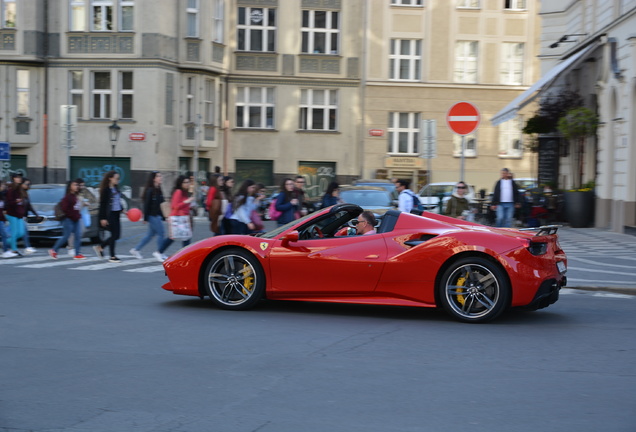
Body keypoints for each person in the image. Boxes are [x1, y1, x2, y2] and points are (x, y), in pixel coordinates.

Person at [130, 171, 167, 262]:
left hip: (157, 215)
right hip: (152, 216)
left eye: (160, 176)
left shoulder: (158, 189)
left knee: (150, 235)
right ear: (154, 178)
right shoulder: (150, 190)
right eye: (158, 176)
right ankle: (159, 252)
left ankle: (135, 250)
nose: (160, 178)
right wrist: (145, 218)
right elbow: (146, 205)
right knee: (161, 233)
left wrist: (164, 216)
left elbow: (162, 204)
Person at [157, 175, 194, 258]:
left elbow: (182, 205)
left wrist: (190, 206)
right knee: (174, 237)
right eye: (185, 182)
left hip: (183, 218)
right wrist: (187, 201)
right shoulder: (178, 192)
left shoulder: (184, 192)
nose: (187, 184)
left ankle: (185, 255)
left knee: (185, 237)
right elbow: (175, 206)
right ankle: (159, 252)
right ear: (180, 183)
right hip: (177, 218)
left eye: (188, 182)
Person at [48, 180, 86, 260]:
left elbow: (76, 208)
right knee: (66, 236)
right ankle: (54, 250)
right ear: (70, 187)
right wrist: (73, 215)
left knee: (78, 236)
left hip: (76, 219)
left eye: (77, 185)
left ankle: (77, 254)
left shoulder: (75, 196)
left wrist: (77, 215)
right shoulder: (67, 197)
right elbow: (65, 209)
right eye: (75, 185)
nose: (77, 186)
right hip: (68, 219)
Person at [95, 170, 124, 263]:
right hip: (109, 214)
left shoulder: (116, 189)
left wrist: (123, 209)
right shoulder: (106, 190)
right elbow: (102, 205)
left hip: (116, 214)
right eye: (116, 178)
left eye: (118, 179)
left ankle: (101, 247)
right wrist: (102, 218)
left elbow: (117, 202)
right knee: (114, 235)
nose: (118, 180)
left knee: (117, 235)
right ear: (110, 178)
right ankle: (112, 256)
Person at [66, 178, 97, 256]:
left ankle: (75, 249)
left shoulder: (84, 191)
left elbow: (93, 199)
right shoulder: (73, 193)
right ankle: (71, 248)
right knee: (74, 232)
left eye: (84, 185)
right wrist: (83, 204)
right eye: (81, 185)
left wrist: (87, 203)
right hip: (74, 214)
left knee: (81, 231)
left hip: (81, 214)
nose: (83, 186)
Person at [3, 173, 27, 257]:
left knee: (21, 233)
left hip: (19, 214)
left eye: (20, 177)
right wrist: (16, 202)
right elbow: (8, 202)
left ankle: (6, 242)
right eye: (17, 177)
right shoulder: (11, 189)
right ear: (13, 178)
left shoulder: (20, 189)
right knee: (14, 232)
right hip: (12, 213)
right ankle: (14, 250)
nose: (19, 179)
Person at [19, 178, 38, 255]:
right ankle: (27, 247)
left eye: (29, 184)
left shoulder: (26, 194)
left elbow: (29, 206)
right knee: (24, 232)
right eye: (27, 184)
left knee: (21, 232)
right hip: (18, 216)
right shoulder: (19, 194)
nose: (28, 186)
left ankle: (9, 246)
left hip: (23, 216)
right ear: (22, 184)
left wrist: (36, 214)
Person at [0, 180, 10, 256]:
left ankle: (6, 250)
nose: (4, 187)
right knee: (4, 234)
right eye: (2, 185)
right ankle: (5, 250)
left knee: (4, 234)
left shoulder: (3, 195)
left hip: (2, 219)